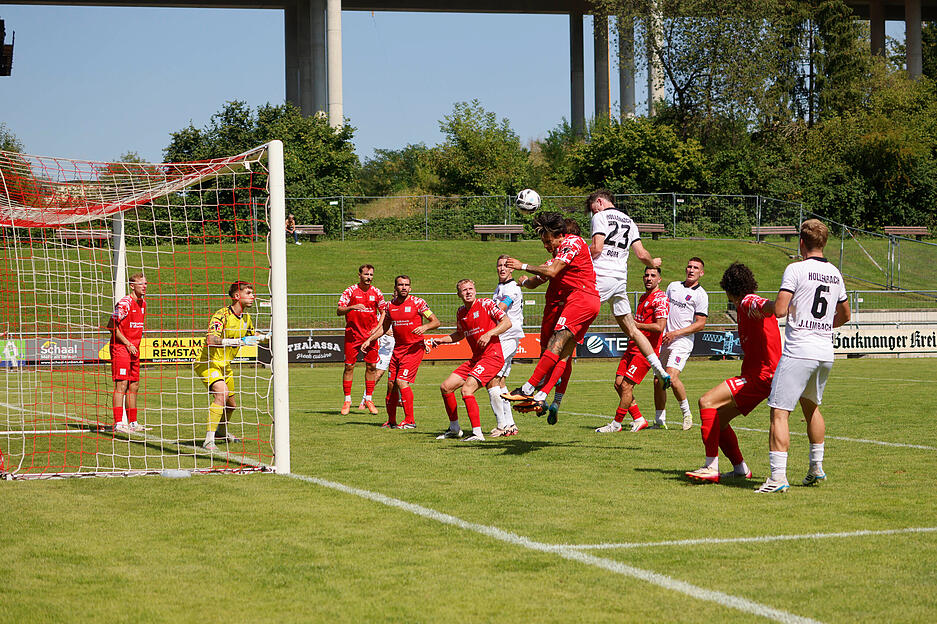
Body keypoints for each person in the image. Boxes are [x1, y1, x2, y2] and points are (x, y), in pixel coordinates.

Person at [755, 219, 850, 493]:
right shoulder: (835, 272)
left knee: (779, 413)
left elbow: (781, 310)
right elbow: (845, 315)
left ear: (801, 243)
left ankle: (777, 477)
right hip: (824, 352)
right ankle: (816, 468)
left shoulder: (795, 269)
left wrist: (764, 306)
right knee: (812, 408)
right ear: (824, 243)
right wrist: (823, 326)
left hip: (799, 351)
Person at [685, 263, 781, 483]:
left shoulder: (747, 301)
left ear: (728, 289)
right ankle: (740, 469)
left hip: (761, 376)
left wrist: (778, 305)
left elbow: (766, 305)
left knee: (706, 401)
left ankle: (711, 467)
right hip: (761, 375)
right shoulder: (744, 305)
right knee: (718, 420)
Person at [501, 212, 600, 422]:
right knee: (560, 352)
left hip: (579, 300)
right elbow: (540, 277)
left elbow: (552, 271)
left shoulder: (572, 243)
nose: (546, 245)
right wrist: (524, 281)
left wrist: (523, 266)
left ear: (559, 235)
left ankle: (530, 389)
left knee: (557, 347)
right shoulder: (559, 254)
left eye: (548, 240)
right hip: (581, 301)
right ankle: (542, 396)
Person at [586, 190, 672, 400]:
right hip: (620, 281)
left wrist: (575, 254)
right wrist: (653, 264)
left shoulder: (600, 216)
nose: (592, 213)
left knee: (575, 318)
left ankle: (553, 375)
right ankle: (659, 369)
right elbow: (641, 254)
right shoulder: (630, 221)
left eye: (592, 209)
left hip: (602, 276)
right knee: (632, 329)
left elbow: (596, 249)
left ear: (599, 202)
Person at [428, 279, 512, 442]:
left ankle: (477, 433)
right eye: (464, 290)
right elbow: (459, 333)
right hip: (476, 359)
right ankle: (454, 429)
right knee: (446, 387)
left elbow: (506, 322)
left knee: (467, 390)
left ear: (475, 290)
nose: (468, 292)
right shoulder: (461, 312)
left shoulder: (486, 304)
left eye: (470, 288)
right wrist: (442, 339)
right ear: (459, 294)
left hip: (492, 357)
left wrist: (490, 334)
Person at [595, 266, 669, 433]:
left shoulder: (661, 298)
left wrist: (634, 326)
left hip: (645, 351)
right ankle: (639, 419)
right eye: (646, 275)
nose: (649, 278)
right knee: (618, 384)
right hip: (632, 347)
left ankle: (616, 424)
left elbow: (660, 327)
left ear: (659, 279)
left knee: (627, 386)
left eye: (653, 275)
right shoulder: (644, 297)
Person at [361, 275, 440, 429]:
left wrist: (424, 327)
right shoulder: (390, 306)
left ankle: (410, 421)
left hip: (413, 349)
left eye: (406, 285)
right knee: (391, 384)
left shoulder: (418, 303)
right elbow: (384, 327)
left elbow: (436, 322)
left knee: (401, 381)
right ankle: (391, 421)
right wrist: (370, 339)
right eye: (401, 285)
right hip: (398, 350)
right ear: (395, 287)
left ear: (410, 288)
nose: (404, 287)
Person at [194, 281, 265, 451]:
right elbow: (210, 340)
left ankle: (222, 431)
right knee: (222, 393)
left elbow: (251, 335)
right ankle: (208, 440)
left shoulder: (247, 318)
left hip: (225, 366)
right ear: (236, 296)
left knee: (231, 405)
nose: (252, 296)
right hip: (207, 363)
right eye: (248, 293)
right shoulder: (221, 315)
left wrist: (268, 336)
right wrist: (236, 341)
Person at [655, 257, 708, 430]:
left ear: (701, 273)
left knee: (670, 376)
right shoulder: (673, 287)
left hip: (682, 341)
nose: (691, 270)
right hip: (665, 339)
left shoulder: (701, 295)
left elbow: (700, 323)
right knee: (658, 381)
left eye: (695, 268)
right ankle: (659, 421)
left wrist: (675, 333)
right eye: (689, 266)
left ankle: (686, 414)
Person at [337, 264, 386, 416]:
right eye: (366, 274)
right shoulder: (350, 291)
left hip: (370, 336)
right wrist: (352, 307)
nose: (369, 277)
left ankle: (368, 399)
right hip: (352, 335)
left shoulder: (377, 292)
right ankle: (347, 400)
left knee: (371, 367)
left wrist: (378, 327)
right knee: (349, 367)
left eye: (371, 275)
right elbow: (339, 310)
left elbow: (383, 311)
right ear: (359, 275)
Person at [487, 255, 524, 437]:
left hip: (509, 336)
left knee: (491, 377)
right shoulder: (501, 287)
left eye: (505, 266)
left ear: (512, 269)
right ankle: (510, 425)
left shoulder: (511, 288)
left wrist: (480, 312)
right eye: (499, 265)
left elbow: (500, 308)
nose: (502, 268)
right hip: (504, 336)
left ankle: (502, 425)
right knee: (500, 380)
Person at [108, 272, 149, 434]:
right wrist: (127, 343)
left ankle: (133, 422)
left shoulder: (143, 303)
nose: (144, 286)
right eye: (141, 284)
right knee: (122, 384)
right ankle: (119, 422)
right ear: (132, 286)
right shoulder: (125, 303)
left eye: (146, 283)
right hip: (121, 348)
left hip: (134, 349)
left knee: (135, 385)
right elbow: (111, 325)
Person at [358, 333, 394, 411]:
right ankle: (364, 400)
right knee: (377, 375)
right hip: (385, 351)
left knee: (398, 377)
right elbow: (376, 327)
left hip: (399, 349)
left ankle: (398, 400)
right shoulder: (382, 320)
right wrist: (385, 329)